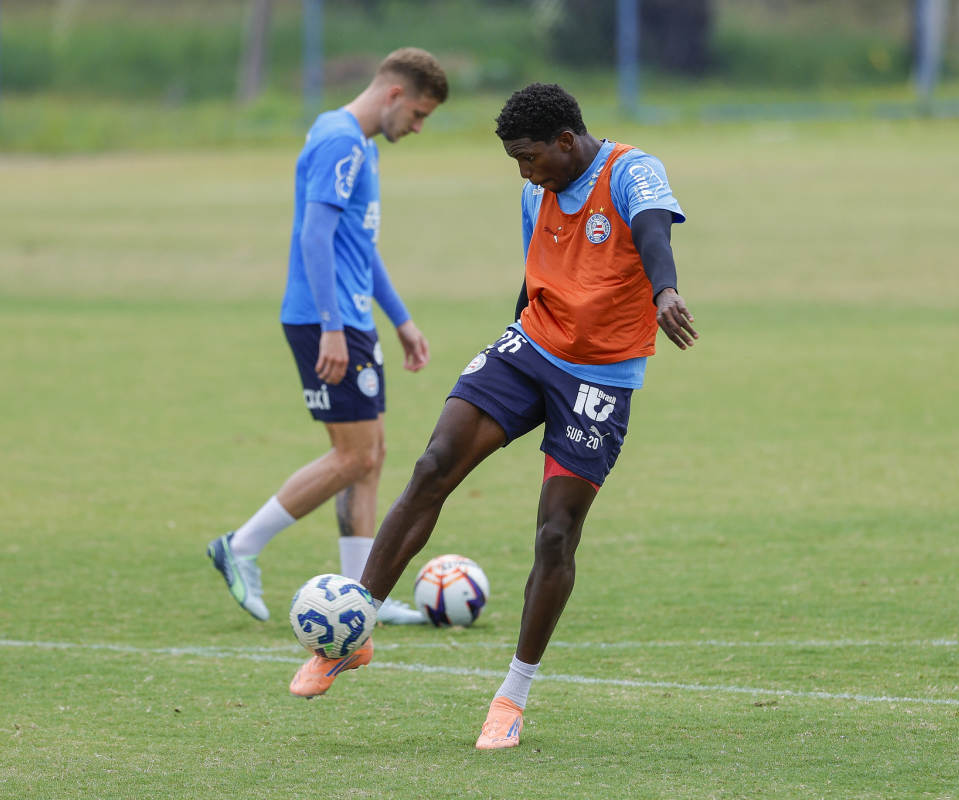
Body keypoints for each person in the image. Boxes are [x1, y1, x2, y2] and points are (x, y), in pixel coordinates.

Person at [286, 82, 698, 748]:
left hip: (598, 376)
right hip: (530, 346)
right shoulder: (536, 188)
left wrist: (666, 290)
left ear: (567, 142)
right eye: (516, 161)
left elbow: (652, 230)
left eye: (530, 158)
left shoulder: (631, 171)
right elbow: (538, 270)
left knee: (555, 536)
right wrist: (511, 343)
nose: (525, 173)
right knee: (432, 465)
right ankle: (349, 636)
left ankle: (512, 696)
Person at [207, 48, 449, 626]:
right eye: (417, 114)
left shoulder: (359, 143)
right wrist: (333, 327)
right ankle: (239, 546)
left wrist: (401, 318)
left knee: (371, 457)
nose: (416, 128)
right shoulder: (340, 141)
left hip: (350, 320)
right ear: (393, 94)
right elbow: (314, 236)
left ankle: (362, 594)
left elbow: (358, 247)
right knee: (353, 455)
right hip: (327, 321)